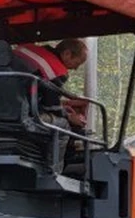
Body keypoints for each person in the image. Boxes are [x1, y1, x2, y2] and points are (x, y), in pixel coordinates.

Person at [12, 39, 89, 172]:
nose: (76, 69)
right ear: (66, 54)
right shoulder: (56, 71)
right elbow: (50, 108)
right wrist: (70, 117)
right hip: (22, 116)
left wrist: (62, 106)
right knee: (63, 128)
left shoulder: (26, 48)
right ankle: (53, 173)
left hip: (1, 108)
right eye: (77, 63)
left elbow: (34, 91)